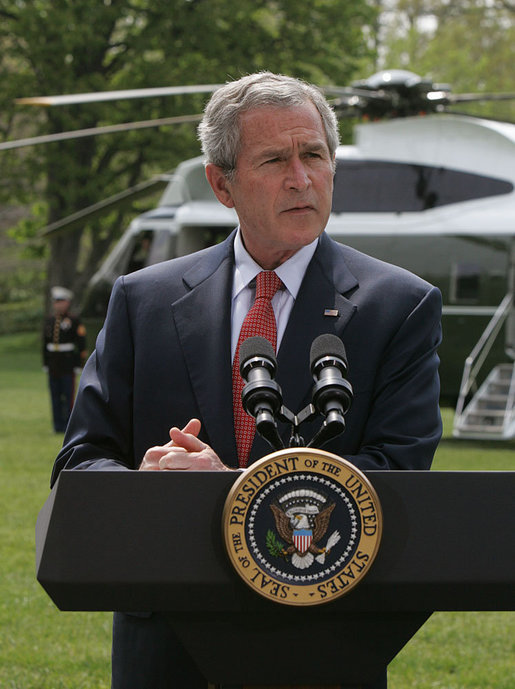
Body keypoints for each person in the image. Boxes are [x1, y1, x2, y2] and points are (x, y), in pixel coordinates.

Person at [50, 72, 442, 689]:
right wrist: (146, 482)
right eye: (274, 160)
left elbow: (395, 474)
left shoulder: (401, 306)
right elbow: (80, 461)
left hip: (318, 634)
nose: (301, 178)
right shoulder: (142, 300)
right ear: (221, 183)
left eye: (314, 154)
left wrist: (229, 489)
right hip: (166, 640)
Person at [42, 286, 87, 433]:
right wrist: (45, 363)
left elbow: (81, 344)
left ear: (67, 303)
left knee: (68, 396)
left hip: (67, 363)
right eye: (56, 302)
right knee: (55, 395)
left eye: (61, 301)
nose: (58, 305)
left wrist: (79, 364)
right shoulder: (49, 320)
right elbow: (45, 343)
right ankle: (57, 425)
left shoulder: (73, 320)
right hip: (54, 363)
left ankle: (69, 426)